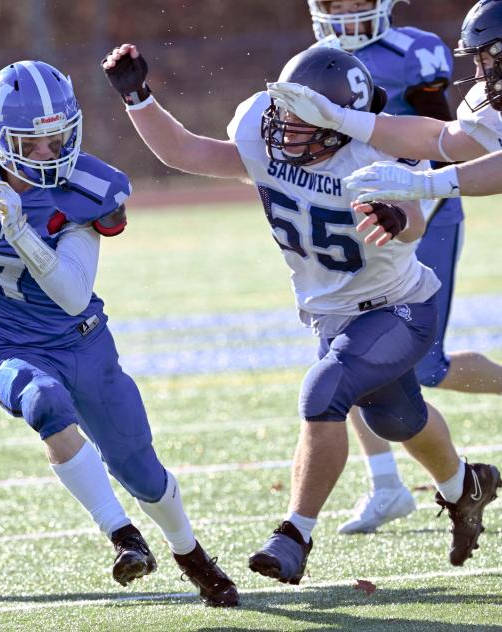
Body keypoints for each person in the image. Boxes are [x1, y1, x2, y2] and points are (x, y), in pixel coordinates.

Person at [102, 43, 500, 583]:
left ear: (341, 125)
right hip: (333, 314)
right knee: (396, 417)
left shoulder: (373, 152)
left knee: (324, 393)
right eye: (285, 110)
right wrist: (138, 98)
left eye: (302, 118)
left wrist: (395, 216)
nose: (284, 126)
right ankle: (465, 488)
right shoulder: (262, 130)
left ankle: (294, 535)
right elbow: (187, 152)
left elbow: (415, 221)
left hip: (399, 308)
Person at [0, 59, 238, 607]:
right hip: (4, 343)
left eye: (59, 138)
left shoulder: (87, 188)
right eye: (34, 144)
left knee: (143, 472)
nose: (51, 154)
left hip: (82, 341)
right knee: (44, 402)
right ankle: (124, 538)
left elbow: (74, 291)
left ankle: (190, 552)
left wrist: (21, 231)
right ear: (0, 138)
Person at [305, 0, 501, 536]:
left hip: (424, 209)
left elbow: (455, 148)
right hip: (368, 211)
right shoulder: (313, 60)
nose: (482, 72)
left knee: (419, 363)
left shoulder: (414, 51)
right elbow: (448, 139)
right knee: (352, 343)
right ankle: (386, 483)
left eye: (490, 58)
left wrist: (424, 185)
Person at [294, 0, 502, 202]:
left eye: (484, 61)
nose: (478, 76)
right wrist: (342, 119)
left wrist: (426, 184)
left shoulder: (409, 49)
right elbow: (440, 139)